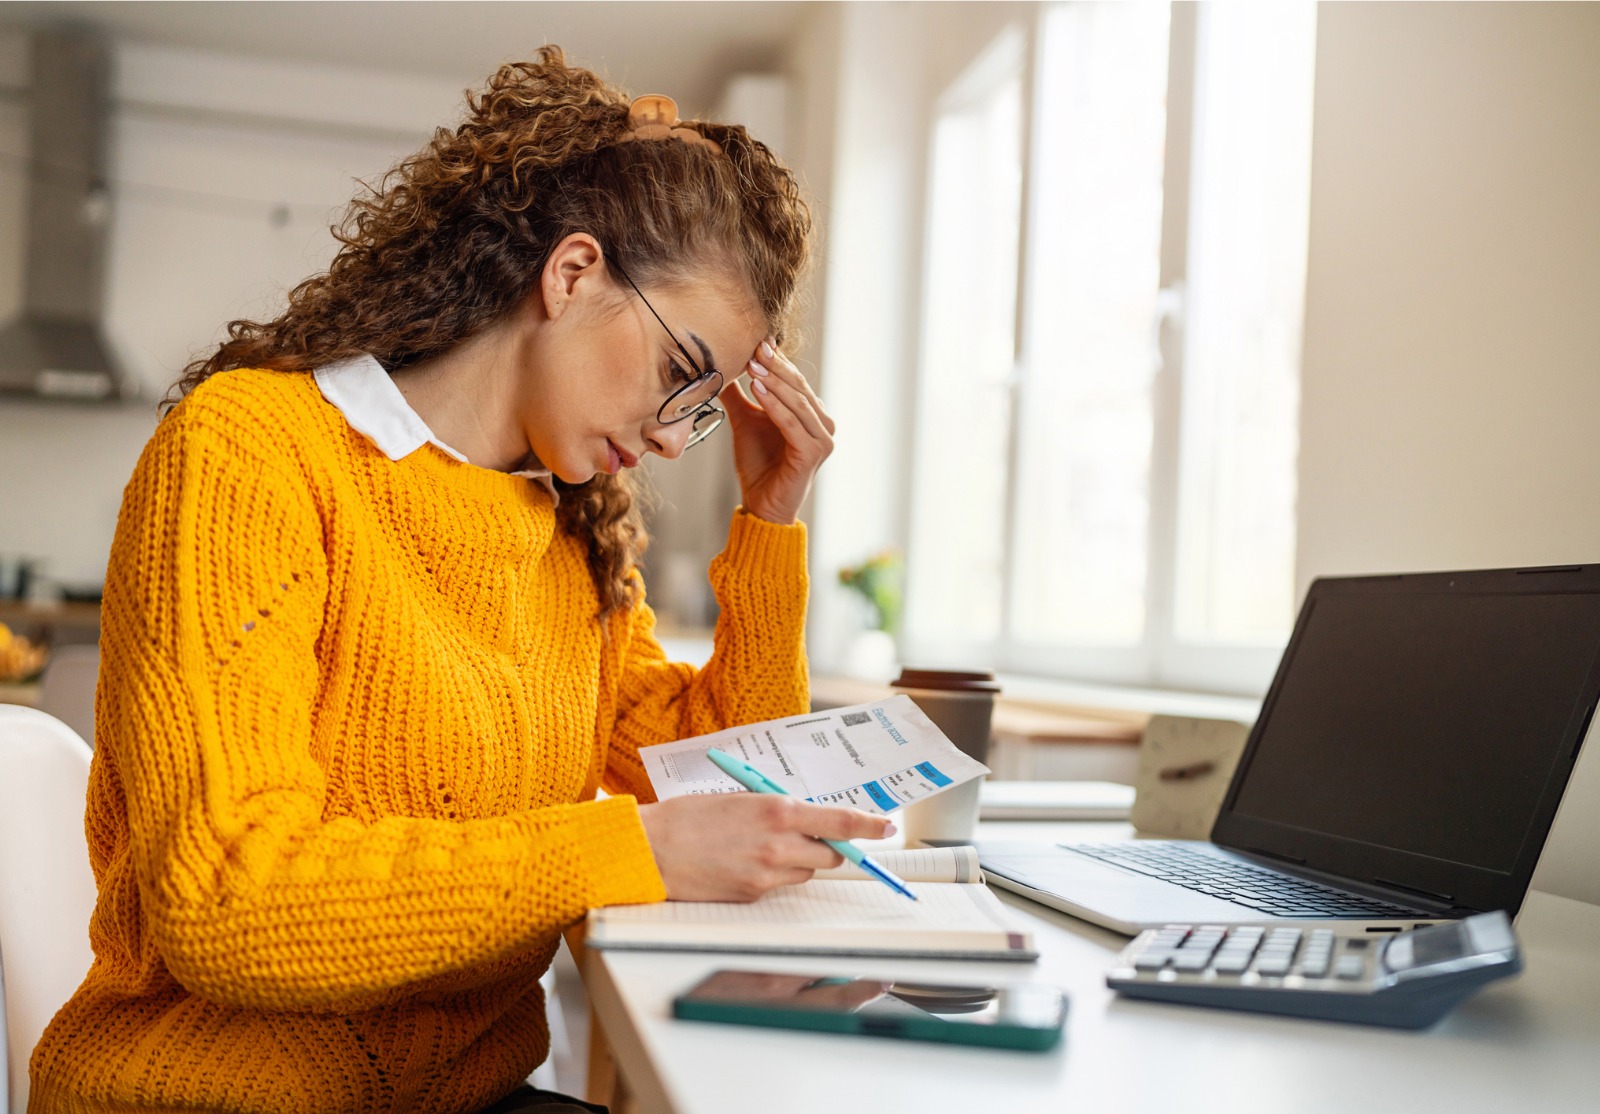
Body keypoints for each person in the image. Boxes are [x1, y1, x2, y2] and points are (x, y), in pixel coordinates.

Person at [30, 47, 890, 1114]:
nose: (678, 440)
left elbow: (732, 789)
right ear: (572, 273)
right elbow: (228, 902)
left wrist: (768, 521)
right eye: (680, 375)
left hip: (464, 1093)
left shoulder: (565, 537)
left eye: (704, 403)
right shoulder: (250, 453)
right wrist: (621, 847)